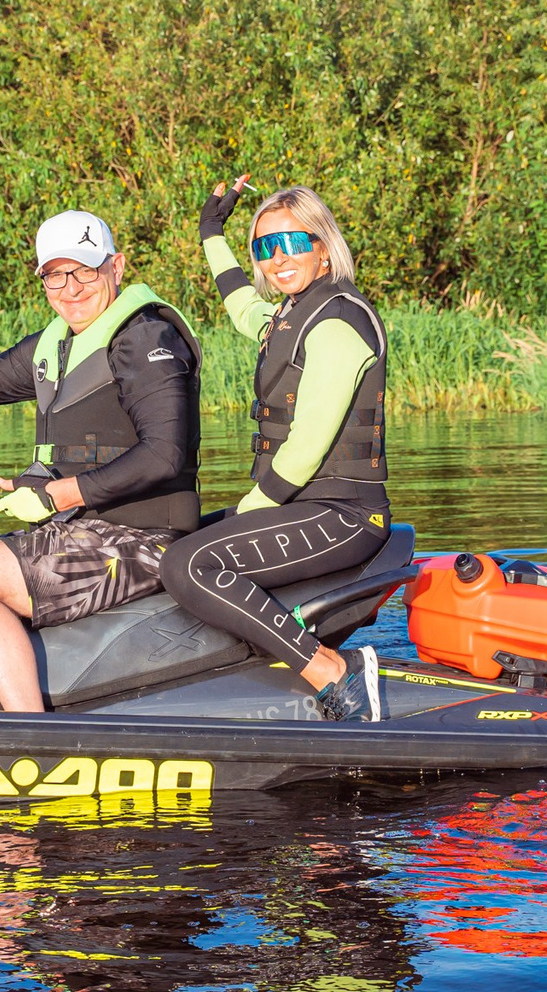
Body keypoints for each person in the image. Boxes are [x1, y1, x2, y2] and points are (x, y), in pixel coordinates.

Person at [0, 211, 202, 712]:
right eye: (54, 275)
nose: (70, 289)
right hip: (83, 527)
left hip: (143, 540)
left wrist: (58, 494)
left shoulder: (146, 339)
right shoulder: (57, 344)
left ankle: (30, 731)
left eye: (85, 271)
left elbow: (165, 453)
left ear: (116, 266)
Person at [161, 182, 392, 722]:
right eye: (264, 247)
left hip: (346, 515)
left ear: (324, 245)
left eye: (291, 242)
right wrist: (211, 234)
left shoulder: (337, 320)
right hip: (304, 508)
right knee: (171, 537)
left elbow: (309, 440)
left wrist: (256, 503)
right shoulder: (291, 315)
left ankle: (331, 673)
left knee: (188, 562)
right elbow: (243, 306)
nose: (277, 258)